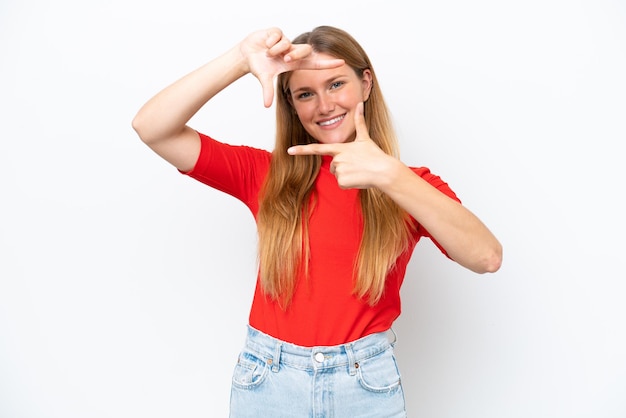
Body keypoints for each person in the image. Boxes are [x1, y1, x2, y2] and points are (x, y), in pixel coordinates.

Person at [132, 25, 502, 418]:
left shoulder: (411, 185)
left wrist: (389, 175)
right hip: (270, 382)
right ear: (291, 105)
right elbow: (152, 127)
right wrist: (240, 60)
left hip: (364, 384)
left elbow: (486, 257)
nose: (324, 105)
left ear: (366, 83)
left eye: (336, 84)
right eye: (305, 94)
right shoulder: (265, 174)